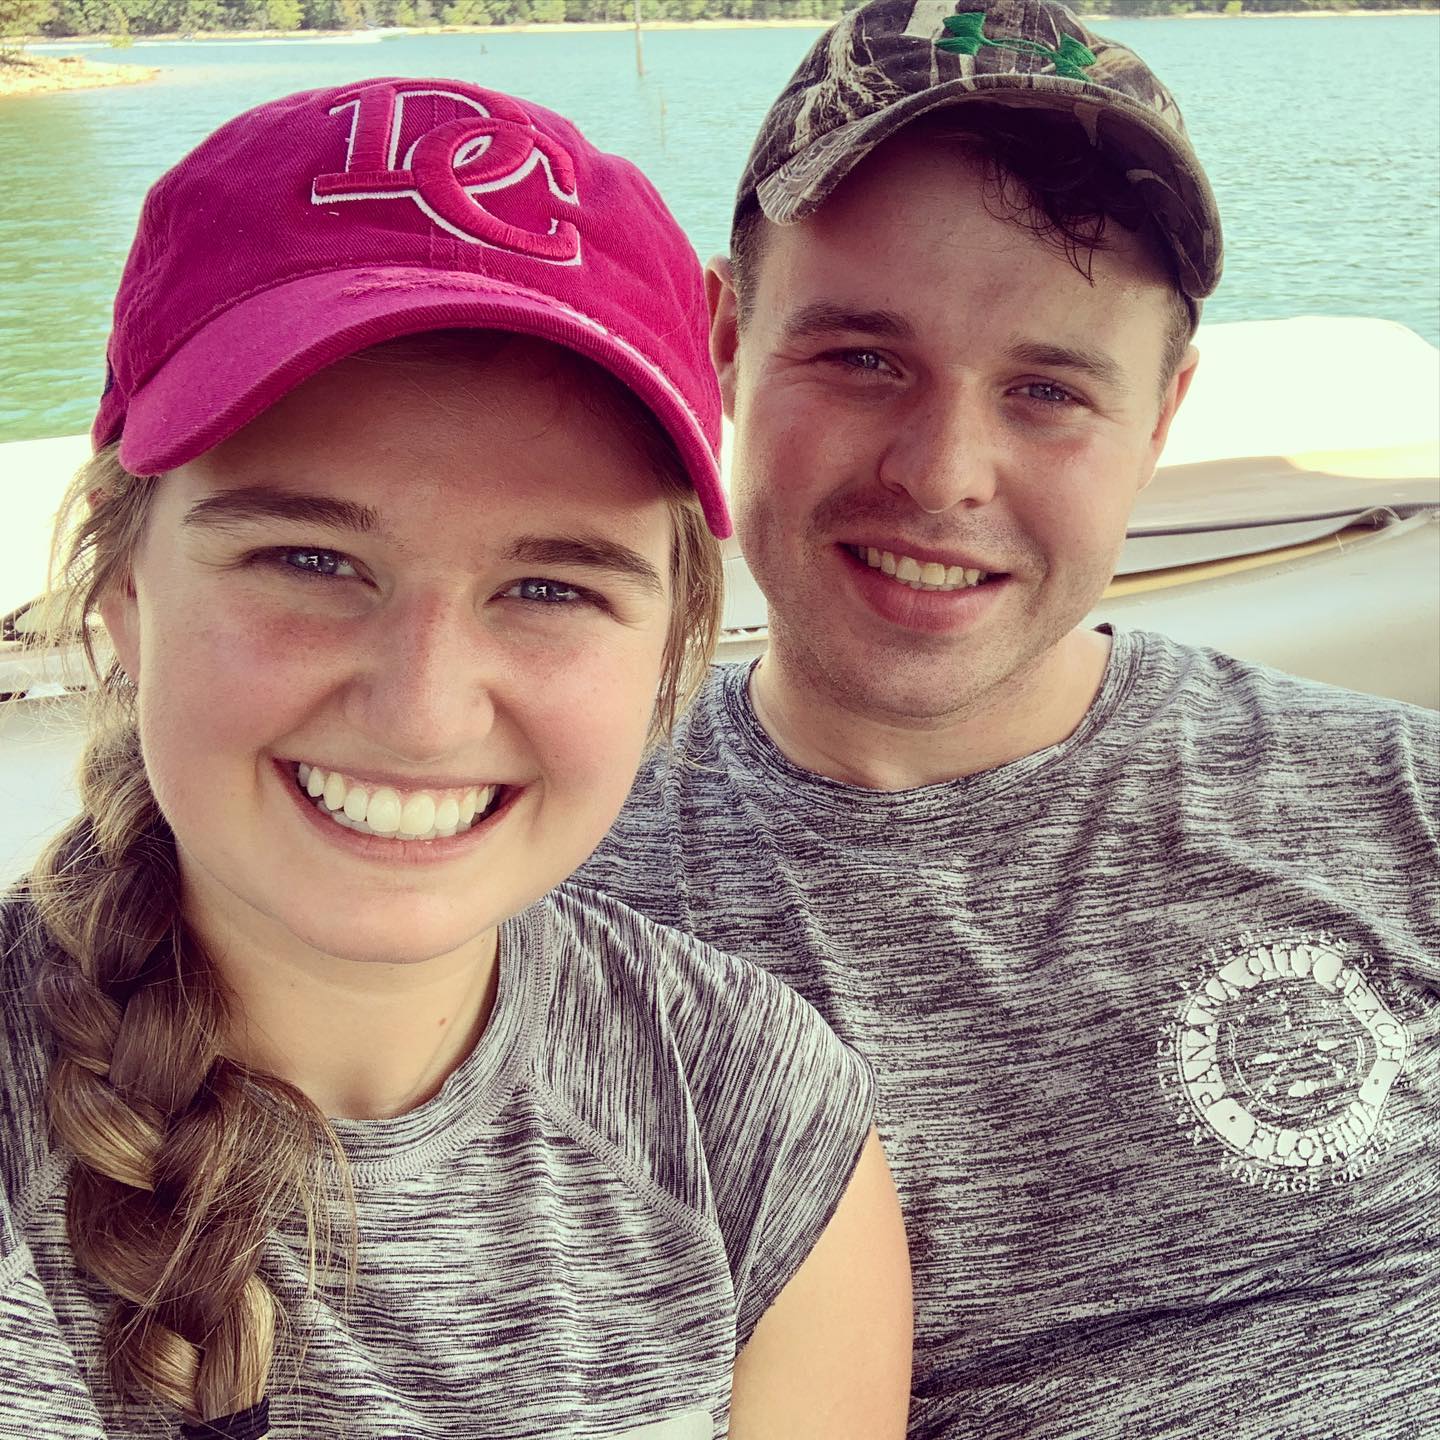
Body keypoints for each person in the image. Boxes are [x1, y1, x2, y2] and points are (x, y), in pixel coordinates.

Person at [0, 79, 912, 1440]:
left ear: (669, 642)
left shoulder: (746, 1105)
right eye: (309, 561)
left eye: (549, 588)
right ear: (126, 594)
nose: (423, 712)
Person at [576, 3, 1440, 1437]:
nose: (944, 475)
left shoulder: (1404, 800)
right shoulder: (535, 898)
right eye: (863, 358)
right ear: (725, 339)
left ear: (1160, 417)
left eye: (1047, 391)